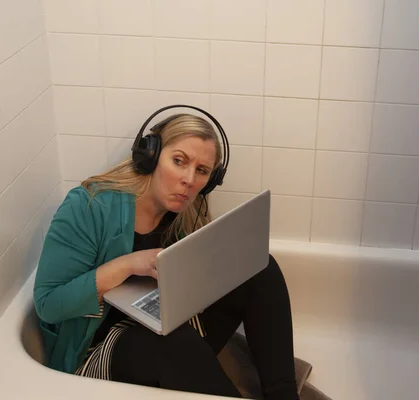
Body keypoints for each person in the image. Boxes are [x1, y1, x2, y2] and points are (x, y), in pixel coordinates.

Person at [33, 107, 301, 400]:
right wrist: (127, 265)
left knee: (260, 267)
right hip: (99, 353)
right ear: (149, 156)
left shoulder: (186, 214)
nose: (189, 179)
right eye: (179, 161)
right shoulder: (89, 206)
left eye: (201, 171)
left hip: (166, 326)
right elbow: (48, 304)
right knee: (170, 343)